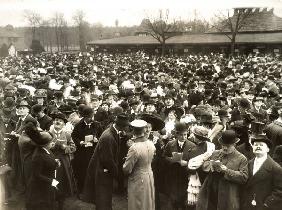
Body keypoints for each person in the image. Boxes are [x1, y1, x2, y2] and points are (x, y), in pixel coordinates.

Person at [82, 114, 129, 210]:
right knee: (103, 199)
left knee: (104, 198)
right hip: (102, 171)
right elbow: (107, 159)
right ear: (122, 127)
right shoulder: (108, 137)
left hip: (103, 169)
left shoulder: (112, 131)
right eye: (126, 127)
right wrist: (117, 173)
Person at [196, 130, 248, 210]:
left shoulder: (241, 158)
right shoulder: (215, 153)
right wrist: (210, 166)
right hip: (211, 194)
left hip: (227, 197)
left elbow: (243, 177)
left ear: (234, 144)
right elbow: (204, 166)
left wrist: (226, 170)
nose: (224, 148)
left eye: (228, 146)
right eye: (223, 145)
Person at [241, 134, 282, 210]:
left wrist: (266, 204)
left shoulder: (275, 168)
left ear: (268, 149)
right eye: (255, 145)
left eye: (261, 145)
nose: (258, 147)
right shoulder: (249, 163)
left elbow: (279, 191)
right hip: (247, 205)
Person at [123, 119, 156, 210]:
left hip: (137, 177)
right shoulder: (151, 143)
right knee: (147, 201)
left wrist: (125, 164)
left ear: (133, 131)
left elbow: (127, 169)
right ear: (144, 130)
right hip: (149, 175)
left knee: (137, 202)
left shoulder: (134, 147)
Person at [163, 122, 196, 210]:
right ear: (176, 135)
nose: (184, 137)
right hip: (173, 175)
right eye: (181, 135)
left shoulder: (192, 146)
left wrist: (187, 163)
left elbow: (195, 161)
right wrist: (171, 160)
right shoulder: (170, 144)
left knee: (184, 198)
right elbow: (164, 157)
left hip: (185, 175)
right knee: (174, 198)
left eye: (185, 135)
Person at [25, 127, 59, 210]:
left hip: (47, 184)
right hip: (40, 188)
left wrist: (55, 162)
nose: (53, 143)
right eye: (51, 142)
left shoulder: (47, 150)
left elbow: (48, 160)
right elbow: (37, 175)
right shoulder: (38, 156)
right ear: (45, 144)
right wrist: (51, 181)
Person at [71, 106, 102, 194]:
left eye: (91, 117)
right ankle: (81, 189)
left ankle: (92, 189)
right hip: (82, 152)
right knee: (82, 170)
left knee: (93, 169)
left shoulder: (97, 124)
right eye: (88, 117)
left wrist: (97, 139)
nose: (91, 119)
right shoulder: (78, 125)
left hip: (93, 152)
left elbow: (101, 135)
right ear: (84, 117)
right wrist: (80, 142)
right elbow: (74, 136)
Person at [49, 111, 77, 209]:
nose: (57, 122)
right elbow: (42, 147)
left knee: (62, 181)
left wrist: (65, 147)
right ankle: (51, 200)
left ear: (64, 124)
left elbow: (74, 148)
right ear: (53, 122)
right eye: (56, 120)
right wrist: (50, 146)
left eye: (60, 121)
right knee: (51, 180)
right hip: (50, 161)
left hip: (63, 162)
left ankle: (61, 202)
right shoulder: (48, 134)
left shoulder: (68, 135)